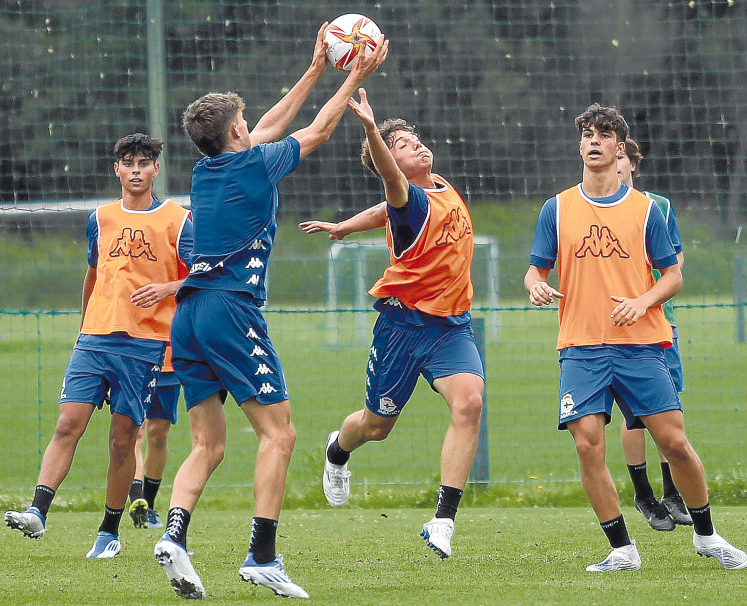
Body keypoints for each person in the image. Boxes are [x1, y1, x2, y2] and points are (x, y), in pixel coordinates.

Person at [152, 24, 388, 600]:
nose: (252, 125)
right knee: (279, 435)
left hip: (189, 316)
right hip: (231, 311)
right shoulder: (256, 166)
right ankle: (262, 555)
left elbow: (265, 130)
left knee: (208, 444)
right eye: (245, 121)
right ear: (236, 130)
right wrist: (353, 75)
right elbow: (318, 130)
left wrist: (314, 69)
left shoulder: (207, 171)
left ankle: (176, 537)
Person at [524, 103, 747, 571]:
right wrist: (535, 286)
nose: (593, 141)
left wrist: (643, 301)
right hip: (580, 347)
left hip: (642, 344)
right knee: (587, 443)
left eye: (603, 135)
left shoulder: (647, 210)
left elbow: (672, 275)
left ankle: (707, 536)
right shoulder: (557, 208)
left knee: (674, 443)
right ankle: (622, 549)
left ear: (620, 148)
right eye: (586, 134)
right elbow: (534, 269)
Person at [300, 89, 485, 561]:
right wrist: (369, 128)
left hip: (449, 327)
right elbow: (391, 189)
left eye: (414, 138)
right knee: (376, 427)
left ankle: (443, 520)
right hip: (402, 329)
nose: (416, 145)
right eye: (403, 144)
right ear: (393, 163)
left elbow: (384, 208)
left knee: (469, 405)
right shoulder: (407, 195)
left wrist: (344, 226)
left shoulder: (435, 185)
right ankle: (338, 450)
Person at [5, 133, 193, 558]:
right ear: (117, 170)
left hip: (145, 345)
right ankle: (38, 510)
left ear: (156, 169)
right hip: (93, 340)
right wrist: (84, 322)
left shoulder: (179, 221)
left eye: (144, 162)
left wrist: (167, 287)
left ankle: (109, 531)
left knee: (122, 442)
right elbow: (93, 273)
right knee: (67, 424)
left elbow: (202, 275)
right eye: (128, 163)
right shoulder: (100, 218)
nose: (136, 170)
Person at [615, 138, 692, 531]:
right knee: (634, 417)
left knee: (668, 409)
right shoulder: (586, 207)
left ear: (632, 164)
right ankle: (642, 493)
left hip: (661, 322)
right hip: (618, 326)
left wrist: (647, 293)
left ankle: (671, 492)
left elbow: (674, 260)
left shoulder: (656, 207)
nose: (616, 163)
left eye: (622, 157)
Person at [127, 347, 185, 531]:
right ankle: (137, 500)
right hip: (136, 354)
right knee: (134, 432)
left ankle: (148, 505)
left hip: (170, 361)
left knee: (159, 435)